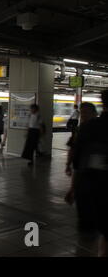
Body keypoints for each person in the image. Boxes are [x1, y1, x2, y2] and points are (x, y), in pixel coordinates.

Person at [72, 89, 108, 257]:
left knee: (96, 229)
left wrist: (74, 187)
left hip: (92, 184)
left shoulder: (91, 126)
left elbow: (78, 161)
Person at [64, 102, 98, 231]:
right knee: (82, 197)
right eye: (82, 113)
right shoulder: (79, 129)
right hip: (81, 168)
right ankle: (85, 224)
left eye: (86, 113)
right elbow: (72, 149)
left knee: (92, 198)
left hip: (95, 172)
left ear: (95, 113)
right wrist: (68, 164)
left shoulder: (100, 129)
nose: (83, 116)